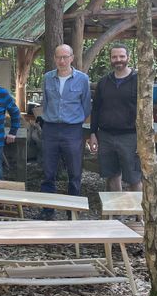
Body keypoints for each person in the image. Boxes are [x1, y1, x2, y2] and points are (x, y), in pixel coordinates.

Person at [39, 44, 92, 218]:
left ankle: (72, 211)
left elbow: (86, 106)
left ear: (72, 57)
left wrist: (74, 120)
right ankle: (48, 211)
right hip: (50, 129)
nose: (62, 61)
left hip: (72, 131)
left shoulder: (82, 79)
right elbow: (45, 103)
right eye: (58, 57)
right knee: (48, 172)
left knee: (75, 172)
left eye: (65, 57)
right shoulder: (47, 78)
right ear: (54, 58)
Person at [88, 44, 142, 192]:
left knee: (134, 177)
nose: (118, 60)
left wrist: (142, 138)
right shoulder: (104, 82)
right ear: (110, 59)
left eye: (121, 56)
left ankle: (139, 214)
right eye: (114, 57)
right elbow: (96, 108)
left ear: (128, 58)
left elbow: (146, 111)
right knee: (111, 175)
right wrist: (93, 133)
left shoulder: (139, 80)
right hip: (106, 135)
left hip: (130, 136)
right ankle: (117, 212)